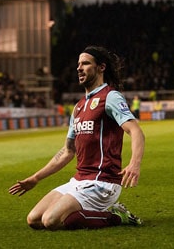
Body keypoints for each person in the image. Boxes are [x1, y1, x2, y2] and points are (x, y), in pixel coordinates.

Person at [9, 45, 145, 230]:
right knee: (34, 219)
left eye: (86, 63)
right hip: (79, 181)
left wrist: (134, 163)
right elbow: (67, 151)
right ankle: (88, 212)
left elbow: (135, 131)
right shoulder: (79, 106)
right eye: (78, 64)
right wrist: (35, 178)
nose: (79, 68)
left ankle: (116, 216)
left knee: (51, 221)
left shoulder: (110, 96)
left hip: (102, 182)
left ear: (101, 67)